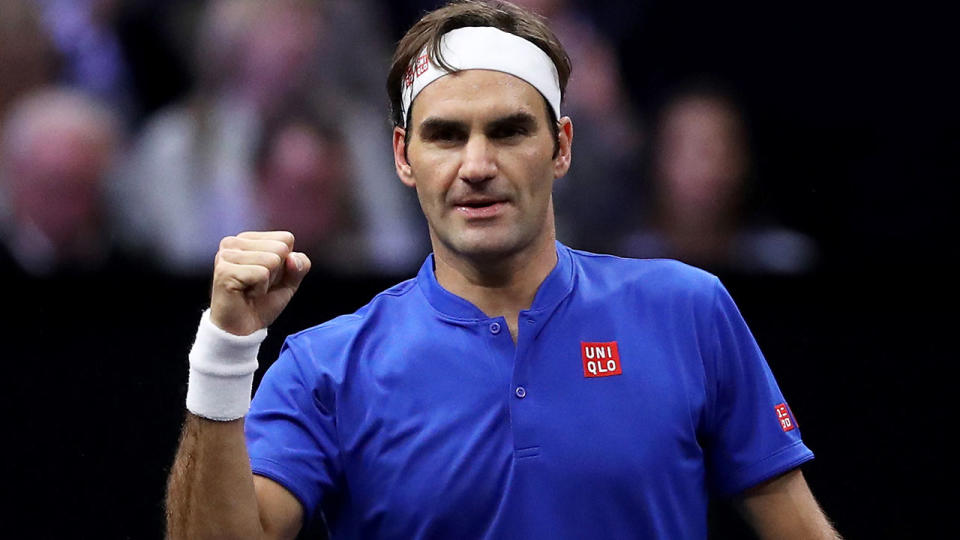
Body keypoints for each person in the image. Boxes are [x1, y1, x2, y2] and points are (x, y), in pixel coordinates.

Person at [166, 1, 841, 538]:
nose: (477, 165)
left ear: (561, 146)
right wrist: (223, 354)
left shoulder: (687, 309)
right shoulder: (326, 368)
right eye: (446, 134)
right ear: (404, 157)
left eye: (509, 130)